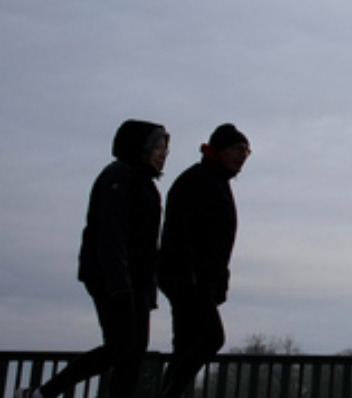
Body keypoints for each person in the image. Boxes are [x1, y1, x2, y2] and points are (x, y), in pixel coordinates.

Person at [25, 120, 169, 398]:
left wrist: (149, 288)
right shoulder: (118, 176)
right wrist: (118, 283)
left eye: (165, 148)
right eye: (157, 146)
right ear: (140, 148)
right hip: (110, 277)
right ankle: (43, 393)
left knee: (134, 352)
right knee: (120, 346)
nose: (163, 153)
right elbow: (109, 233)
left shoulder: (149, 187)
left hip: (137, 283)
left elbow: (149, 246)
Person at [156, 124, 250, 398]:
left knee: (185, 345)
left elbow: (217, 240)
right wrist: (190, 278)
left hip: (198, 280)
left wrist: (220, 279)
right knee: (211, 337)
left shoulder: (216, 181)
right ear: (219, 149)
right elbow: (179, 233)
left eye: (247, 152)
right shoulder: (197, 179)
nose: (243, 156)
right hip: (187, 279)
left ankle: (168, 393)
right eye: (237, 149)